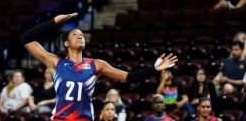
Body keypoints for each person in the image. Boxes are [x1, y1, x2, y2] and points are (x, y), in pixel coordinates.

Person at [20, 12, 178, 120]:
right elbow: (26, 38)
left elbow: (129, 78)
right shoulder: (56, 62)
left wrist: (154, 69)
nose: (80, 36)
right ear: (66, 43)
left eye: (82, 34)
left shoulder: (96, 64)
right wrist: (55, 21)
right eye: (75, 34)